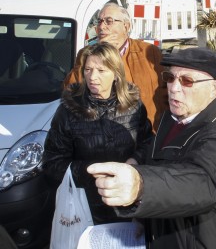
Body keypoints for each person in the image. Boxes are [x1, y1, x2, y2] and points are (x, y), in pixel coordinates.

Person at [87, 47, 216, 249]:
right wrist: (136, 161)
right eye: (170, 78)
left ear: (214, 88)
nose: (174, 88)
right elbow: (159, 148)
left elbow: (202, 181)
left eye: (187, 81)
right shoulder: (173, 115)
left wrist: (140, 186)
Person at [43, 42, 152, 224]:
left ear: (116, 74)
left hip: (127, 207)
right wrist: (91, 172)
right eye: (88, 69)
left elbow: (149, 143)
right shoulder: (69, 110)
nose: (92, 77)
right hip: (84, 210)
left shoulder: (134, 106)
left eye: (101, 71)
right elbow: (52, 163)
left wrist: (135, 160)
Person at [64, 3, 167, 131]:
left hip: (148, 135)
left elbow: (165, 93)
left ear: (126, 26)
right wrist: (101, 52)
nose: (101, 26)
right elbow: (71, 93)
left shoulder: (149, 52)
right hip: (104, 137)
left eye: (109, 21)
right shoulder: (87, 54)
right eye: (100, 21)